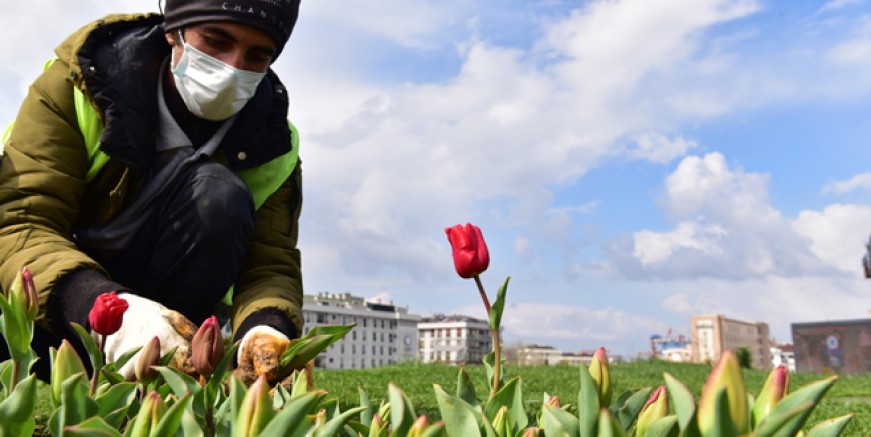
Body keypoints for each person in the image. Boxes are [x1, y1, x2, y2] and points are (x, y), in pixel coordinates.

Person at [0, 0, 304, 386]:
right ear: (173, 29)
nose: (232, 68)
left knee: (219, 197)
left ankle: (166, 377)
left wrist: (267, 328)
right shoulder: (79, 84)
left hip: (162, 320)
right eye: (215, 41)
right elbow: (21, 220)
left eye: (257, 55)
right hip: (52, 302)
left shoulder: (272, 142)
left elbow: (270, 264)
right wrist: (112, 310)